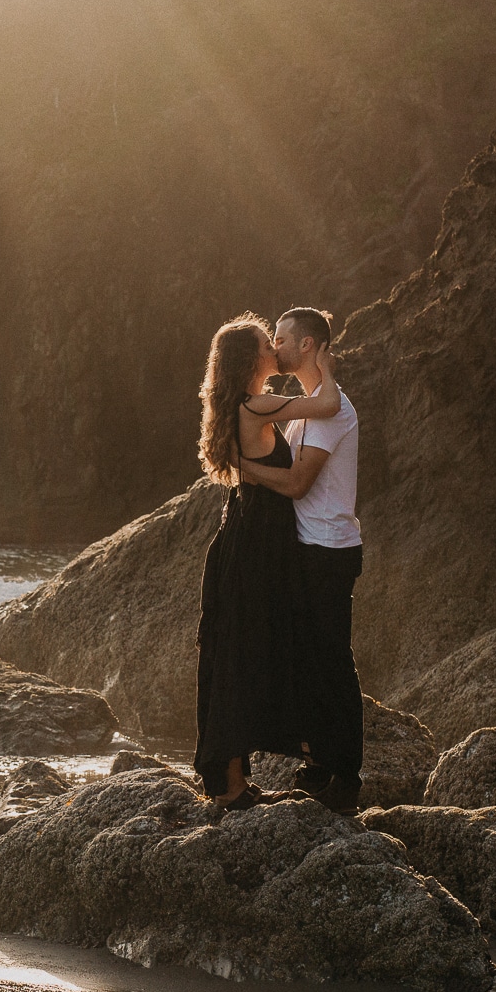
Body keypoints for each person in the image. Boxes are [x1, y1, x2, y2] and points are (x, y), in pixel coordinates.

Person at [192, 313, 341, 809]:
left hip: (245, 535)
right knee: (241, 655)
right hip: (255, 543)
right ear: (252, 359)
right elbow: (328, 404)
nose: (275, 350)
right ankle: (231, 788)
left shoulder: (235, 405)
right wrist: (323, 362)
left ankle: (233, 779)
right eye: (266, 343)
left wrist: (247, 468)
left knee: (237, 653)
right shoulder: (256, 404)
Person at [238, 306, 364, 814]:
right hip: (308, 550)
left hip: (329, 552)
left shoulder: (335, 411)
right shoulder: (312, 403)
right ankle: (319, 762)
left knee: (333, 664)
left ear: (307, 345)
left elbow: (296, 482)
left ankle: (346, 776)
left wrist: (243, 469)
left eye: (283, 339)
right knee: (308, 661)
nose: (276, 347)